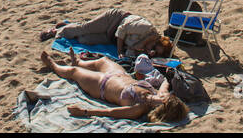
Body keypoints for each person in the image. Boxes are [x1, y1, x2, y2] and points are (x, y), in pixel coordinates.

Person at [41, 49, 188, 123]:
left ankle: (53, 65)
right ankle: (79, 62)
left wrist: (84, 111)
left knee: (74, 72)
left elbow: (110, 112)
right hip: (120, 75)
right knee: (102, 61)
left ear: (162, 106)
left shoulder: (138, 108)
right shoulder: (159, 94)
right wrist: (169, 76)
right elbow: (165, 83)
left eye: (167, 98)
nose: (166, 95)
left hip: (101, 85)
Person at [40, 8, 173, 58]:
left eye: (155, 52)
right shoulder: (146, 28)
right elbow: (122, 29)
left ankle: (68, 25)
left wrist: (138, 51)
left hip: (111, 37)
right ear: (156, 40)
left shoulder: (144, 50)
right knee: (84, 28)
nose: (152, 50)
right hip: (114, 20)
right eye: (154, 47)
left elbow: (129, 53)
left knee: (84, 40)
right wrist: (120, 51)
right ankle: (55, 31)